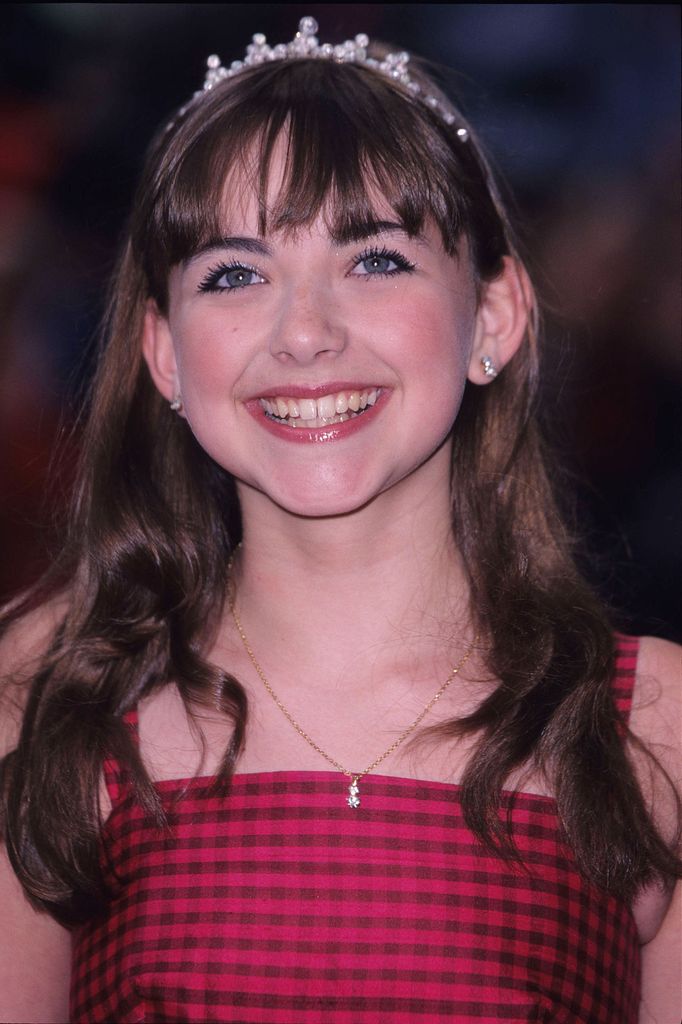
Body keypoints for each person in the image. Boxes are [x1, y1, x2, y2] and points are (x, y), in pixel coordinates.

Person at [0, 16, 679, 1024]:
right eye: (236, 274)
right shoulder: (48, 704)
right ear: (165, 351)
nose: (306, 332)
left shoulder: (651, 726)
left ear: (494, 315)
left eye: (376, 260)